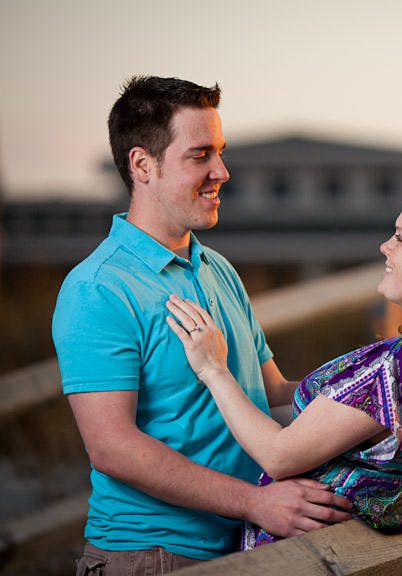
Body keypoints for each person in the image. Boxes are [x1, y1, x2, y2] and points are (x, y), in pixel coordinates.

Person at [52, 76, 351, 575]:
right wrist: (255, 503)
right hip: (151, 557)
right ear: (142, 165)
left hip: (245, 547)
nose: (222, 172)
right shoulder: (98, 288)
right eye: (200, 155)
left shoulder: (217, 268)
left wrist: (375, 389)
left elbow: (271, 393)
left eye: (221, 153)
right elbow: (112, 448)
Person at [165, 184, 402, 548]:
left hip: (302, 560)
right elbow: (328, 416)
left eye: (400, 238)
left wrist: (214, 370)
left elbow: (279, 455)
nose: (385, 246)